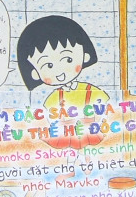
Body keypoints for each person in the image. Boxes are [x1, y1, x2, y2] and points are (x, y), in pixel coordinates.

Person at [16, 15, 109, 149]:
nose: (60, 72)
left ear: (85, 55)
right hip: (65, 136)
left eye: (68, 59)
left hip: (91, 133)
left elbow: (105, 109)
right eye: (48, 65)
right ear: (34, 73)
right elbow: (50, 118)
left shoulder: (91, 91)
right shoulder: (54, 97)